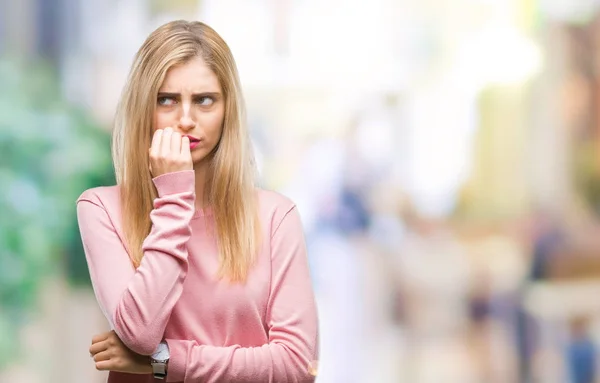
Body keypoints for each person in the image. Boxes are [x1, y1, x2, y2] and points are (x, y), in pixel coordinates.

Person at [76, 20, 319, 382]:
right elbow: (140, 334)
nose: (186, 119)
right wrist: (174, 197)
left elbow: (297, 365)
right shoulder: (101, 209)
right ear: (143, 106)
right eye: (167, 99)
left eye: (204, 100)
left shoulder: (275, 216)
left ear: (227, 110)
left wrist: (166, 360)